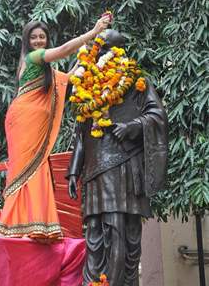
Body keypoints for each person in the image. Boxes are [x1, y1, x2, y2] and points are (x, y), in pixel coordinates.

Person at [66, 29, 168, 285]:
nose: (98, 54)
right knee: (96, 236)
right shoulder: (86, 87)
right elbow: (82, 132)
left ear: (116, 53)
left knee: (124, 234)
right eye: (96, 50)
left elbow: (157, 116)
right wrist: (73, 170)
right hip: (93, 171)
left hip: (123, 165)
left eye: (103, 50)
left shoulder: (135, 81)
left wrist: (133, 127)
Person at [0, 15, 110, 243]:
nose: (39, 40)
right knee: (28, 168)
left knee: (37, 167)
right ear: (27, 41)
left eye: (42, 37)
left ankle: (36, 225)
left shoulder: (44, 67)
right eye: (34, 37)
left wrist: (86, 56)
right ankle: (14, 223)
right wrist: (95, 31)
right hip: (25, 121)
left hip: (29, 120)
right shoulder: (34, 57)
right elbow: (66, 49)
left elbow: (65, 80)